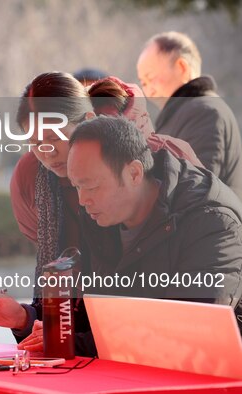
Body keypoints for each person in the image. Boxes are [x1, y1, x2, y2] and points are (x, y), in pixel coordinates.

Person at [0, 72, 204, 355]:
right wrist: (23, 318)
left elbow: (176, 324)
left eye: (56, 137)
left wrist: (71, 342)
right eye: (34, 143)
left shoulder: (164, 162)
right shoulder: (34, 180)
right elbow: (72, 313)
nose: (46, 152)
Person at [67, 115, 242, 318]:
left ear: (134, 173)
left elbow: (189, 327)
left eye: (91, 186)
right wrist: (33, 320)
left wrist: (80, 340)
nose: (82, 199)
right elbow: (97, 316)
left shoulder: (212, 223)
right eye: (76, 186)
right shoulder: (100, 217)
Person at [137, 31, 242, 199]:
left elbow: (195, 187)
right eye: (143, 82)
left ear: (182, 67)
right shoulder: (183, 112)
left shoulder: (205, 111)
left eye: (151, 77)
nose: (148, 89)